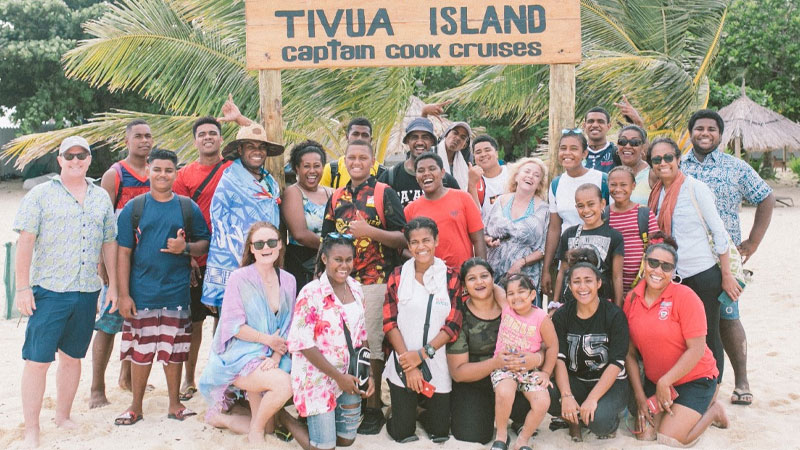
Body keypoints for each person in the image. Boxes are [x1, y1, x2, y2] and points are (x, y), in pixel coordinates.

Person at [14, 136, 118, 447]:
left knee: (72, 358)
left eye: (82, 155)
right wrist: (22, 288)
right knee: (38, 360)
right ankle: (32, 427)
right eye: (69, 155)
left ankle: (63, 416)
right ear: (60, 160)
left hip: (87, 291)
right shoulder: (40, 196)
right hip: (49, 291)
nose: (76, 160)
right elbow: (26, 242)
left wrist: (111, 285)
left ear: (89, 159)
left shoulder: (101, 198)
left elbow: (109, 243)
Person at [681, 109, 776, 406]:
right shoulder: (678, 165)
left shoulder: (736, 167)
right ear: (691, 132)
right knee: (688, 320)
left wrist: (753, 242)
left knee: (727, 317)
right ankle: (695, 379)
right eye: (699, 128)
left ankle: (742, 380)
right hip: (687, 259)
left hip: (725, 260)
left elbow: (766, 196)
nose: (705, 133)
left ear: (720, 135)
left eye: (711, 129)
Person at [114, 149, 210, 426]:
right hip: (141, 292)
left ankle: (174, 404)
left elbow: (204, 242)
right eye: (157, 169)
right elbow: (123, 253)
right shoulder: (134, 208)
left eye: (169, 170)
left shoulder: (186, 207)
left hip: (176, 292)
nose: (162, 175)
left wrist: (186, 248)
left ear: (176, 173)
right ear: (148, 170)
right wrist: (123, 294)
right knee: (140, 352)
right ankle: (135, 406)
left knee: (175, 350)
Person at [321, 139, 407, 435]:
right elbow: (326, 239)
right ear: (344, 161)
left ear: (372, 162)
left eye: (363, 157)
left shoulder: (384, 193)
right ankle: (351, 400)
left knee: (371, 344)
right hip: (342, 282)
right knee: (346, 343)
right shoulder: (336, 197)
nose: (356, 162)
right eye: (351, 157)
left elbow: (403, 237)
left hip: (375, 280)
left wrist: (371, 232)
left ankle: (373, 406)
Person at [648, 137, 741, 384]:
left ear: (679, 159)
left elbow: (718, 231)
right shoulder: (657, 194)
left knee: (708, 334)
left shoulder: (694, 188)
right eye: (656, 159)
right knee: (680, 337)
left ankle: (713, 389)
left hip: (702, 275)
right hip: (672, 279)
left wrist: (727, 275)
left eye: (668, 157)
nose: (663, 163)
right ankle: (691, 383)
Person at [624, 234, 728, 445]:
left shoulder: (686, 297)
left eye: (666, 267)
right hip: (658, 383)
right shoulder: (632, 298)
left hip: (694, 379)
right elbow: (630, 354)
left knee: (670, 438)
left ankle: (713, 411)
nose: (658, 271)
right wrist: (640, 396)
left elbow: (697, 349)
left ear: (673, 272)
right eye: (653, 263)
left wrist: (666, 381)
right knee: (644, 435)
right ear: (644, 263)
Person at [198, 222, 297, 444]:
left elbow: (289, 326)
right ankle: (256, 430)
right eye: (259, 243)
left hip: (273, 356)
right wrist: (267, 340)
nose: (266, 247)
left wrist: (276, 355)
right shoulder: (239, 278)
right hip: (241, 356)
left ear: (280, 244)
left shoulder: (289, 280)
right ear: (251, 248)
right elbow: (232, 326)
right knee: (284, 385)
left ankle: (222, 419)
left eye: (271, 242)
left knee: (273, 426)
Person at [288, 233, 375, 450]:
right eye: (338, 259)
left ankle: (316, 420)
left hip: (349, 374)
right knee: (325, 446)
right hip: (317, 377)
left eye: (349, 260)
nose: (344, 265)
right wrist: (338, 377)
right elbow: (304, 344)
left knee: (346, 440)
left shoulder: (355, 288)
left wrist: (368, 373)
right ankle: (284, 419)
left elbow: (361, 335)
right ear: (325, 259)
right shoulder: (311, 293)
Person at [383, 217, 463, 443]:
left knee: (440, 433)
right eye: (414, 242)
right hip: (403, 361)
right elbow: (390, 323)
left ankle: (417, 410)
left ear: (436, 240)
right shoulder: (397, 276)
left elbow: (453, 324)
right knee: (403, 433)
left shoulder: (450, 276)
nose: (421, 247)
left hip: (435, 362)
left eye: (426, 240)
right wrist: (409, 364)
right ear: (408, 246)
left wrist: (422, 354)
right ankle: (402, 411)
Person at [90, 119, 151, 408]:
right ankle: (96, 388)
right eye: (138, 136)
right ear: (126, 141)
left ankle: (126, 377)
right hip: (117, 260)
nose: (144, 141)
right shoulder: (114, 175)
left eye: (148, 136)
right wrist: (103, 264)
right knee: (109, 322)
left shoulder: (157, 172)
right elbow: (102, 223)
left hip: (146, 261)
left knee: (137, 321)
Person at [172, 116, 233, 402]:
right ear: (195, 140)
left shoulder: (234, 169)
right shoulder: (184, 175)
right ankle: (189, 379)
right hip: (199, 257)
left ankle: (218, 377)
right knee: (193, 322)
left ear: (221, 139)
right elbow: (180, 216)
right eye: (202, 134)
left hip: (228, 259)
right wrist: (190, 258)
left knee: (224, 322)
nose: (208, 137)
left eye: (213, 133)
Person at [446, 259, 534, 444]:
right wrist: (495, 363)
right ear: (464, 285)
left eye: (484, 276)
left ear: (493, 280)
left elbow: (538, 337)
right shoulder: (459, 316)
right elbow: (458, 373)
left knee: (539, 392)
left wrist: (536, 358)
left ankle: (515, 417)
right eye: (472, 278)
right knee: (473, 436)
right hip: (474, 381)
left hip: (511, 377)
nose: (479, 282)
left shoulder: (510, 307)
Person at [201, 116, 284, 311]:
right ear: (240, 150)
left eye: (261, 147)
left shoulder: (270, 182)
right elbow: (220, 232)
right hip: (236, 267)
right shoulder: (230, 182)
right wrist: (217, 283)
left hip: (267, 264)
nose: (257, 151)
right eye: (250, 146)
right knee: (234, 330)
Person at [549, 262, 630, 442]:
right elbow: (559, 359)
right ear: (569, 286)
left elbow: (617, 363)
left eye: (588, 281)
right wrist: (566, 395)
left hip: (611, 383)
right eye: (576, 282)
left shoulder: (614, 315)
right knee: (545, 392)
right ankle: (573, 420)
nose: (583, 287)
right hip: (577, 380)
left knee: (599, 423)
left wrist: (593, 399)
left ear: (599, 283)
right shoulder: (562, 315)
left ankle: (605, 416)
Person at [491, 273, 558, 450]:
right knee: (505, 392)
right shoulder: (506, 307)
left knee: (542, 401)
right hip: (505, 366)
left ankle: (523, 440)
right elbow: (492, 284)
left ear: (532, 295)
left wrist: (546, 372)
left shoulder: (541, 318)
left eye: (521, 291)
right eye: (511, 293)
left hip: (529, 369)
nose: (516, 297)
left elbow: (552, 346)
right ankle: (501, 435)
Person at [541, 130, 609, 299]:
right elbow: (555, 228)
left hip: (598, 259)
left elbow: (611, 220)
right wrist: (547, 269)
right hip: (567, 260)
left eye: (574, 148)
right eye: (563, 148)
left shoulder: (602, 179)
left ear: (584, 153)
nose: (567, 153)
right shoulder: (557, 183)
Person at [404, 152, 486, 269]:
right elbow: (403, 249)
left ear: (442, 173)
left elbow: (478, 239)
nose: (426, 173)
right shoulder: (410, 210)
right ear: (416, 177)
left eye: (432, 168)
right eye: (421, 171)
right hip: (429, 278)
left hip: (462, 276)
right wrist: (425, 260)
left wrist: (480, 270)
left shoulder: (463, 198)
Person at [484, 157, 549, 294]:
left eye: (536, 175)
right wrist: (488, 240)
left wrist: (521, 262)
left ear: (539, 184)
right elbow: (484, 232)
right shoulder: (500, 200)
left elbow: (544, 248)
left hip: (524, 278)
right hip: (494, 272)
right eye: (527, 171)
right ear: (516, 176)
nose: (531, 176)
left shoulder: (544, 210)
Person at [553, 184, 624, 306]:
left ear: (602, 204)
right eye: (581, 206)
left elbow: (617, 277)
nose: (586, 210)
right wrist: (555, 304)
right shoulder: (569, 234)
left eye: (591, 204)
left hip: (601, 302)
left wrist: (617, 310)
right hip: (571, 302)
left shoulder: (614, 236)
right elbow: (562, 271)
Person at [281, 140, 332, 290]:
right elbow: (300, 234)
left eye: (317, 166)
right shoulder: (293, 192)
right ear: (297, 168)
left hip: (329, 263)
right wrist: (332, 249)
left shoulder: (332, 192)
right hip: (302, 263)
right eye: (306, 166)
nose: (312, 171)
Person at [378, 117, 460, 208]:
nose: (420, 142)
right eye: (414, 137)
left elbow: (459, 210)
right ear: (407, 141)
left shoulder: (445, 180)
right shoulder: (390, 176)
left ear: (432, 141)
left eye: (425, 137)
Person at [607, 166, 659, 295]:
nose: (618, 189)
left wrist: (643, 281)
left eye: (623, 185)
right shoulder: (604, 214)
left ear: (633, 186)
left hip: (642, 283)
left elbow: (656, 248)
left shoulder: (644, 213)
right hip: (611, 285)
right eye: (613, 185)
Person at [583, 100, 645, 174]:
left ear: (609, 126)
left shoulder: (617, 152)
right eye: (591, 121)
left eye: (600, 121)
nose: (595, 125)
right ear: (584, 126)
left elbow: (643, 160)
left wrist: (638, 122)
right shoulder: (577, 152)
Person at [320, 117, 385, 188]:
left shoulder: (381, 173)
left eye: (364, 135)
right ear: (347, 137)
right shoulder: (331, 170)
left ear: (370, 140)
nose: (360, 138)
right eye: (355, 134)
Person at [467, 134, 509, 215]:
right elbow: (474, 216)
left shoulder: (513, 173)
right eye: (478, 152)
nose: (483, 154)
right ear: (474, 158)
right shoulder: (473, 183)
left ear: (496, 153)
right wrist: (471, 185)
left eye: (487, 150)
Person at [615, 124, 654, 206]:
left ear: (643, 148)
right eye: (623, 141)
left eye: (635, 142)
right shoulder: (612, 176)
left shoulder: (651, 175)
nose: (628, 146)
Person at [435, 121, 473, 189]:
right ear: (446, 135)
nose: (458, 138)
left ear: (464, 145)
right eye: (455, 133)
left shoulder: (465, 166)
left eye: (463, 137)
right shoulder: (431, 154)